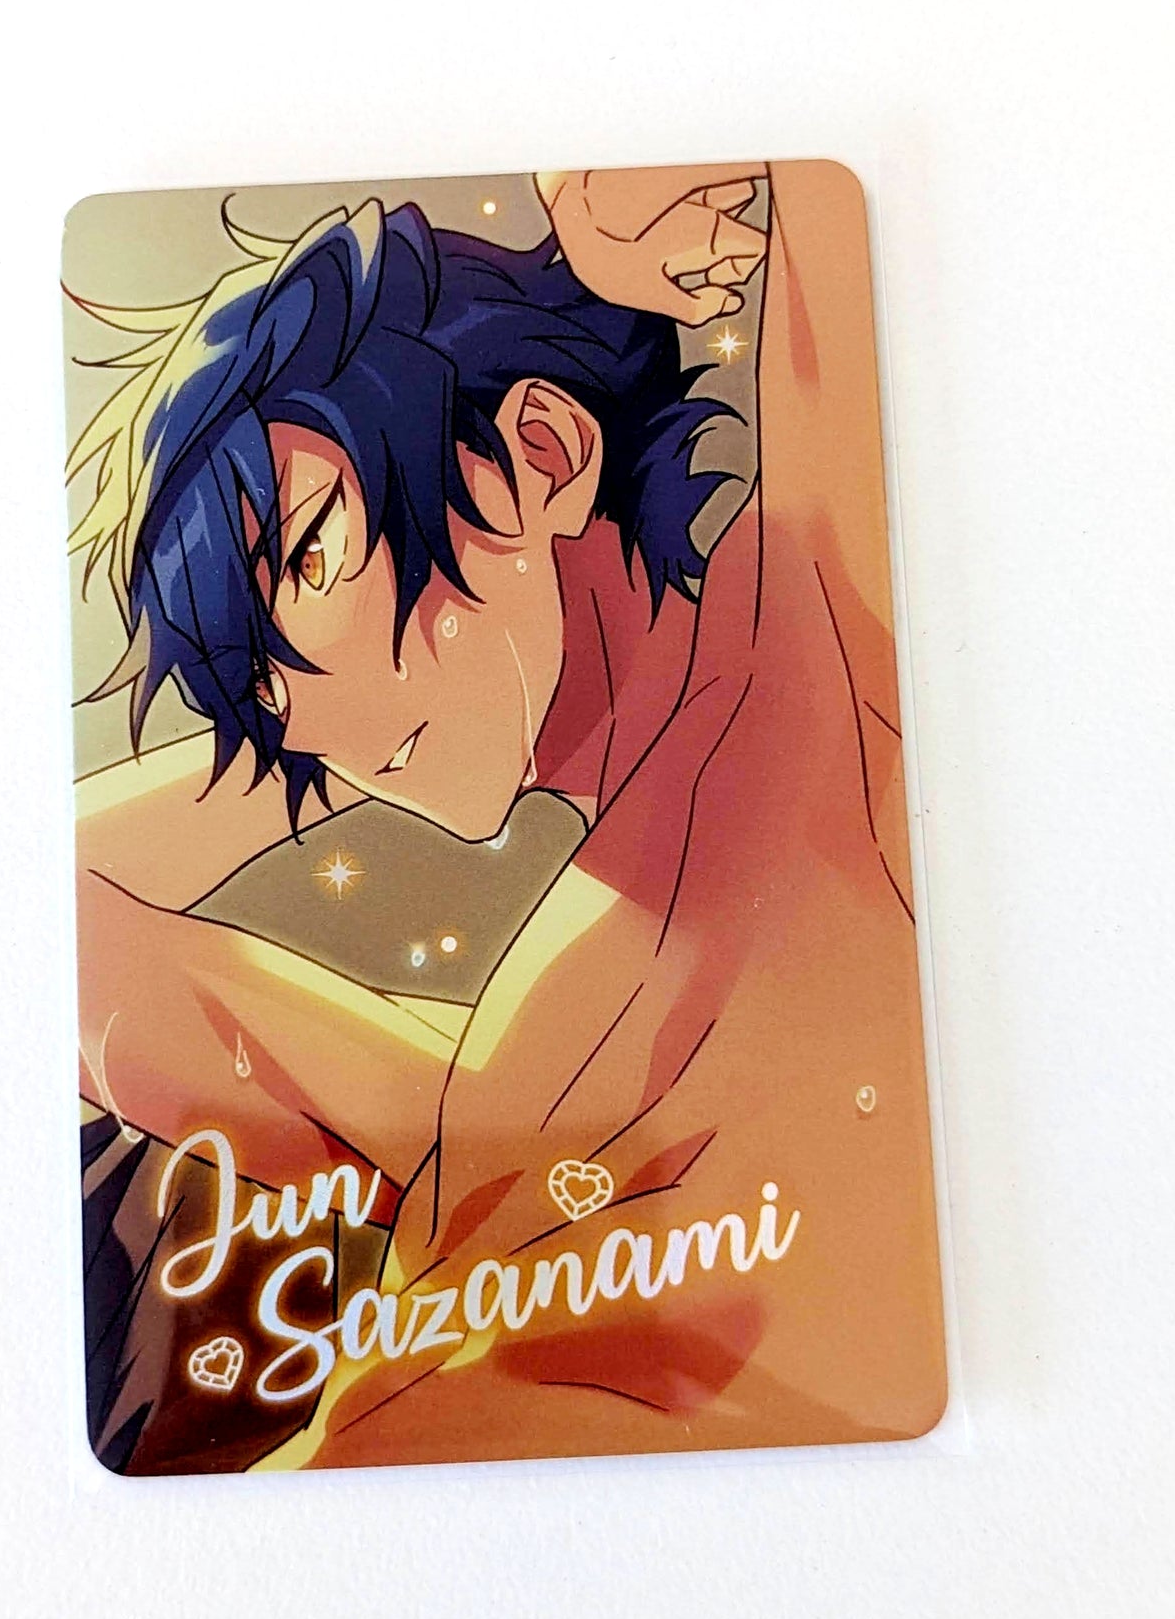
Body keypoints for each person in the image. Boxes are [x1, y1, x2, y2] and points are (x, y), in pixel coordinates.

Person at [70, 163, 945, 1469]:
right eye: (254, 678)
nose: (298, 715)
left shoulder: (804, 617)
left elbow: (829, 253)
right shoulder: (526, 1024)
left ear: (541, 452)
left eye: (308, 558)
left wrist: (655, 208)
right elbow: (82, 900)